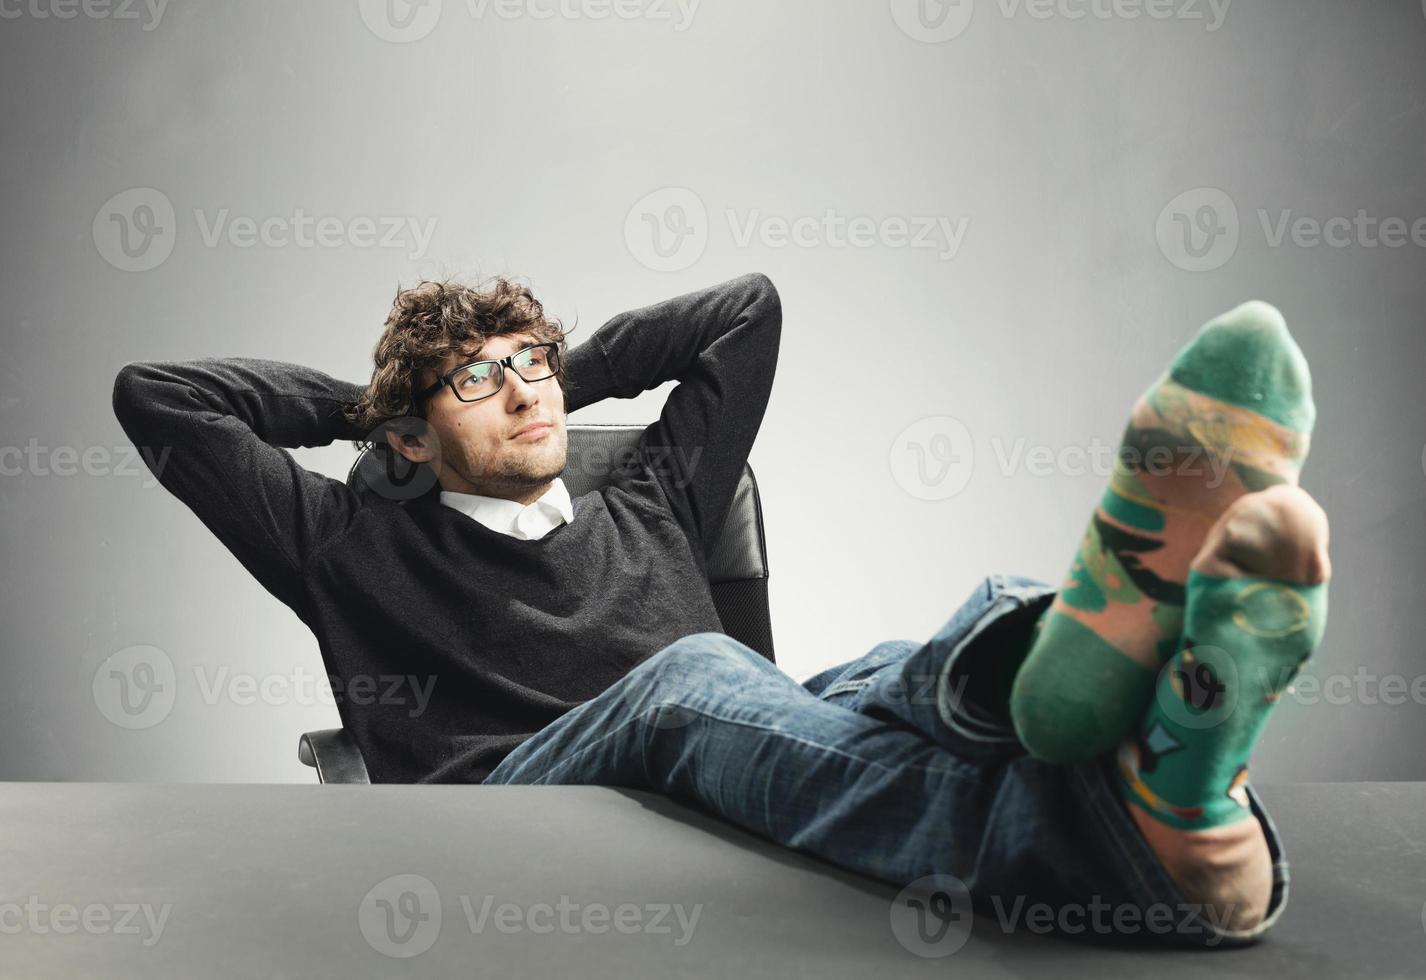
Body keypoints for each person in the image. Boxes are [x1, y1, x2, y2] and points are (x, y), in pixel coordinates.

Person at [112, 271, 1329, 948]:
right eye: (477, 380)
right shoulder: (345, 537)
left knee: (872, 677)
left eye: (535, 358)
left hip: (713, 750)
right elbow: (158, 398)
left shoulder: (650, 486)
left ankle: (1151, 757)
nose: (525, 386)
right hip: (508, 809)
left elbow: (747, 310)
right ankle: (1118, 771)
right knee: (689, 675)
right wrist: (377, 404)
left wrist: (535, 376)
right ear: (410, 434)